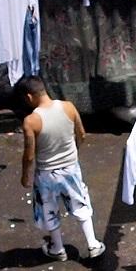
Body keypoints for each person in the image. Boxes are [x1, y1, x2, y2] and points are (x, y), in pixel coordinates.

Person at [17, 77, 105, 261]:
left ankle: (58, 249)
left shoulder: (31, 121)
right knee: (80, 203)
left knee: (49, 208)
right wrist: (73, 152)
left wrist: (25, 176)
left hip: (46, 174)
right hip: (70, 168)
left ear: (29, 96)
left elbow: (30, 155)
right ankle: (93, 244)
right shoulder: (68, 107)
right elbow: (81, 134)